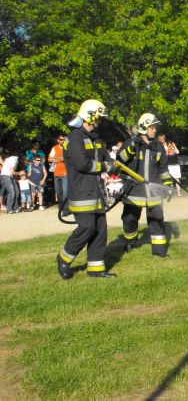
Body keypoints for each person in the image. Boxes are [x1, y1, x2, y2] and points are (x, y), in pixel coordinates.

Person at [56, 99, 116, 279]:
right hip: (82, 192)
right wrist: (105, 167)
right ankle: (64, 258)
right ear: (91, 117)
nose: (100, 122)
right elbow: (82, 164)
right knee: (87, 227)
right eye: (99, 118)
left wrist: (113, 165)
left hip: (97, 192)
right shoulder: (74, 138)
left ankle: (96, 270)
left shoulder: (97, 138)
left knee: (100, 229)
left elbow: (108, 160)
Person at [117, 113, 173, 257]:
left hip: (153, 193)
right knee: (129, 219)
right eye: (152, 127)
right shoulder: (131, 144)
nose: (155, 130)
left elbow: (164, 170)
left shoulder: (159, 147)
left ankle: (159, 252)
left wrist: (167, 186)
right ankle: (130, 241)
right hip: (133, 190)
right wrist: (130, 148)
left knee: (157, 220)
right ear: (144, 127)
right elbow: (119, 160)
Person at [48, 133, 68, 213]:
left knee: (65, 192)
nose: (62, 141)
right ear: (58, 140)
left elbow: (67, 158)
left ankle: (66, 210)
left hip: (65, 173)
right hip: (56, 173)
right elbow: (49, 159)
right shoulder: (54, 148)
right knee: (58, 192)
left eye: (64, 139)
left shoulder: (68, 148)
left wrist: (56, 158)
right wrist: (61, 159)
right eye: (61, 139)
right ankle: (61, 208)